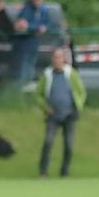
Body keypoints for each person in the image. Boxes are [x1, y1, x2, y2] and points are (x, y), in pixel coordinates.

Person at [36, 48, 86, 177]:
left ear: (64, 59)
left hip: (69, 114)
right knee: (48, 141)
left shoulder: (71, 74)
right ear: (52, 59)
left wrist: (77, 106)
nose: (57, 60)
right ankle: (43, 171)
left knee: (69, 144)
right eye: (55, 58)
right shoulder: (47, 75)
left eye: (60, 58)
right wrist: (45, 107)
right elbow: (38, 95)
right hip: (52, 114)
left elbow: (81, 92)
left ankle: (64, 172)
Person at [14, 0, 52, 85]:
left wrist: (43, 27)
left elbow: (48, 22)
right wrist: (37, 27)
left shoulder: (44, 9)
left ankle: (28, 85)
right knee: (23, 66)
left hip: (35, 41)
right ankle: (21, 88)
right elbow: (24, 24)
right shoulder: (26, 8)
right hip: (23, 42)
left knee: (31, 64)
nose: (37, 0)